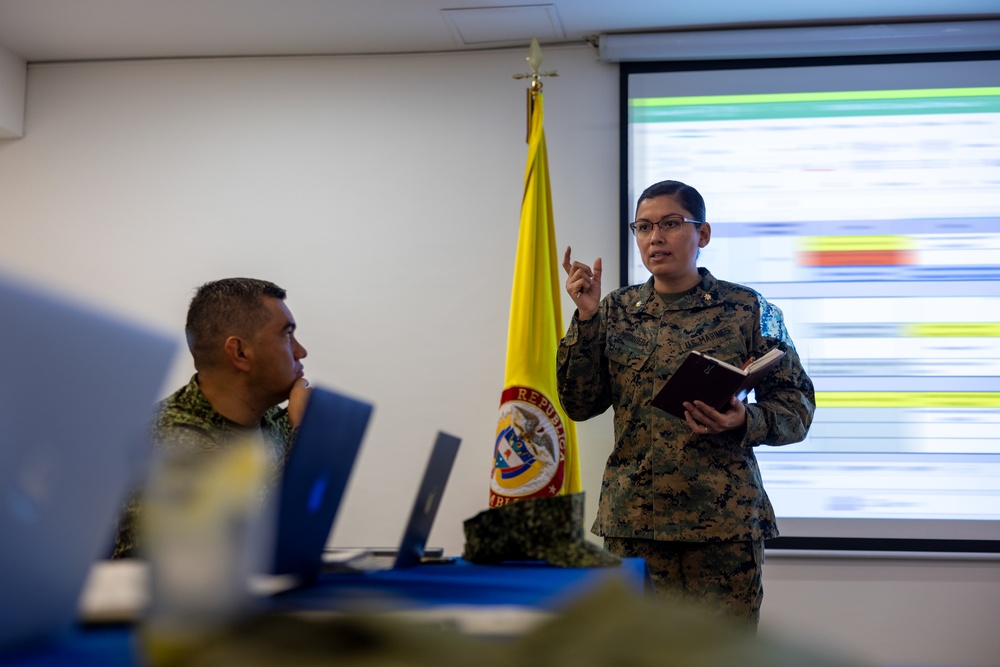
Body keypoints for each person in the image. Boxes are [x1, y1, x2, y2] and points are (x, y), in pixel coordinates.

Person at [557, 180, 814, 630]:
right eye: (644, 227)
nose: (655, 238)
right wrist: (586, 318)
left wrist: (744, 419)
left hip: (722, 528)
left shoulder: (748, 309)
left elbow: (796, 406)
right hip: (634, 525)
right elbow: (579, 404)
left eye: (671, 224)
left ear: (704, 234)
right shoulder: (614, 310)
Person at [112, 277, 310, 559]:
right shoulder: (169, 436)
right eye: (287, 335)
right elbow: (246, 540)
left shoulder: (275, 421)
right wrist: (304, 435)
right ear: (240, 352)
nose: (301, 351)